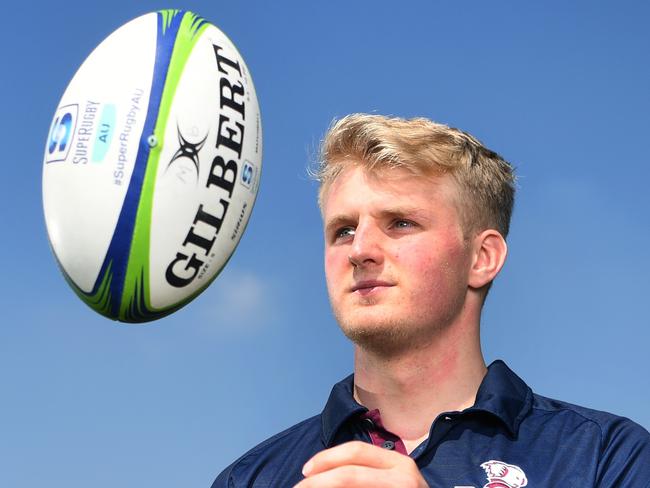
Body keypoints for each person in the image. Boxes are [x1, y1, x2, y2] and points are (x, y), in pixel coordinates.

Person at [211, 114, 650, 487]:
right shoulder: (250, 478)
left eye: (400, 223)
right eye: (343, 229)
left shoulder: (605, 458)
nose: (360, 249)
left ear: (482, 258)